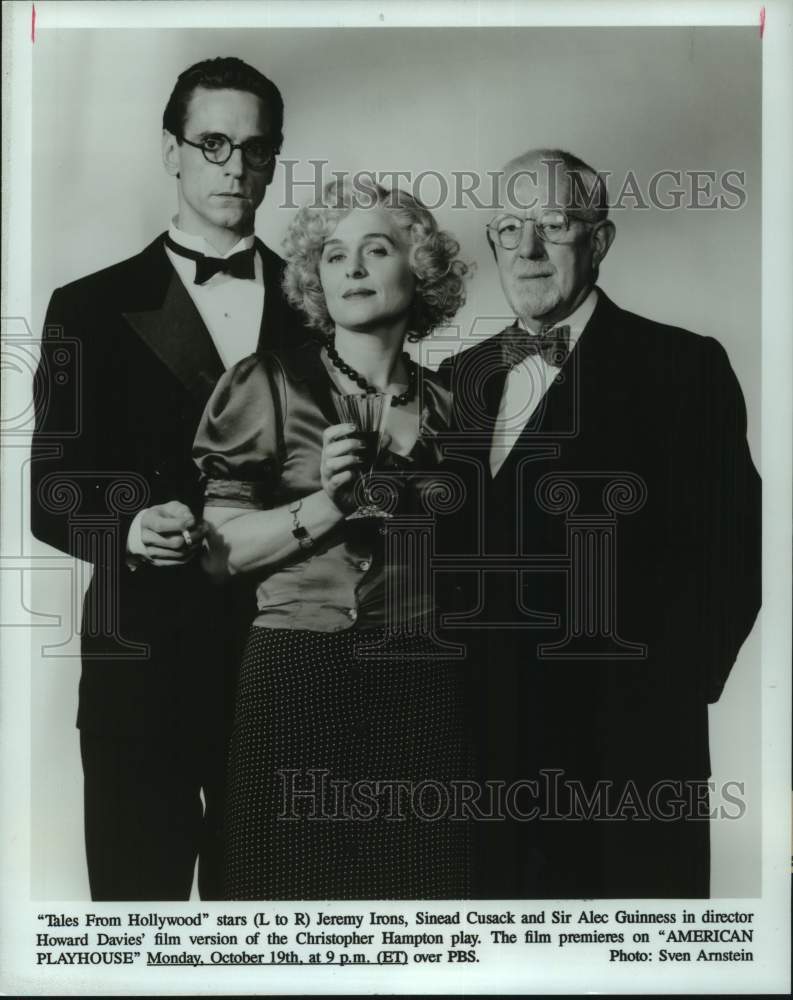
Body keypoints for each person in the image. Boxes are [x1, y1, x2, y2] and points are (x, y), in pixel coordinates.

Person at [439, 149, 761, 898]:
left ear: (600, 240)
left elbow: (736, 552)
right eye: (510, 227)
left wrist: (662, 700)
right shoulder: (456, 380)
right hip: (476, 761)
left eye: (552, 224)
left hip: (628, 761)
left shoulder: (684, 366)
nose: (526, 249)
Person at [30, 57, 307, 900]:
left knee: (270, 936)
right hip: (139, 664)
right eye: (213, 143)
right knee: (134, 934)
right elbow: (52, 487)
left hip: (281, 660)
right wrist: (125, 524)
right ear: (171, 150)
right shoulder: (89, 306)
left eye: (255, 150)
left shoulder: (322, 302)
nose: (234, 167)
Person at [192, 178, 473, 899]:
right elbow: (216, 555)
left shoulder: (458, 404)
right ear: (314, 279)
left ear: (421, 269)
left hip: (426, 685)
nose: (350, 269)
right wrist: (326, 504)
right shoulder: (268, 384)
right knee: (284, 893)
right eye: (333, 254)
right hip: (296, 670)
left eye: (374, 250)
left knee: (417, 901)